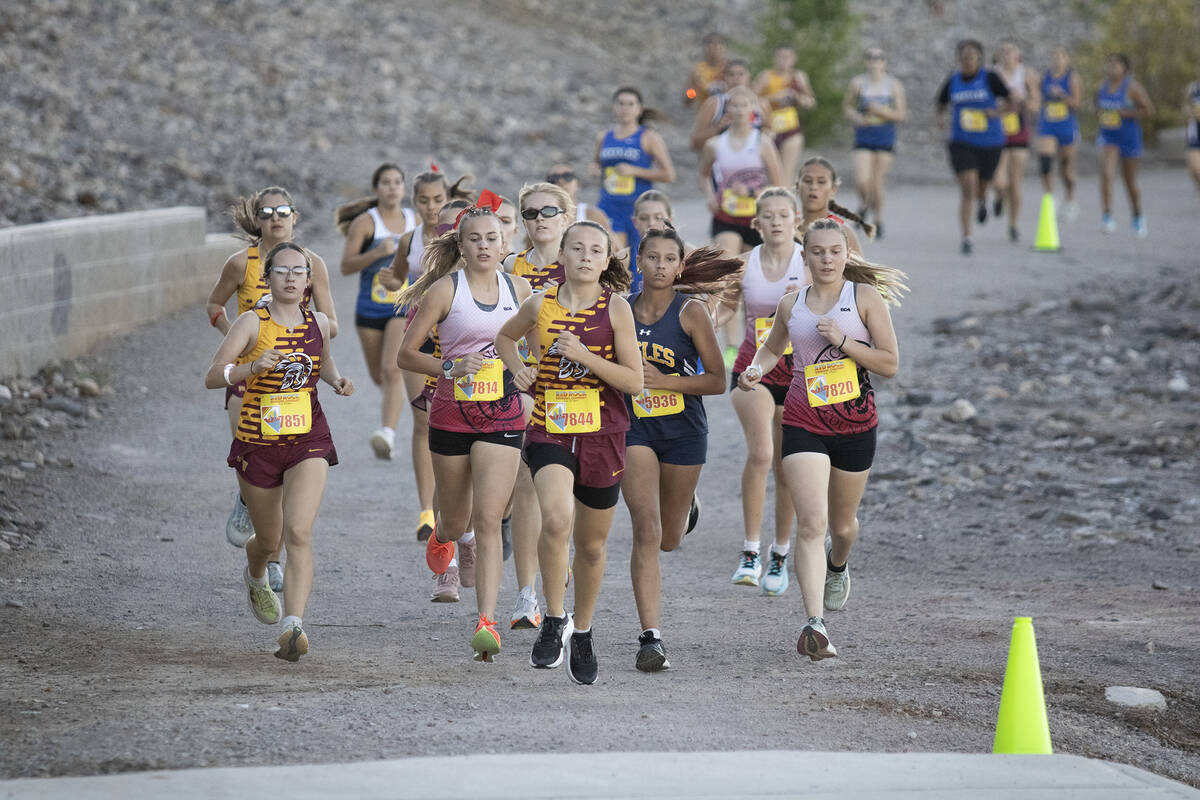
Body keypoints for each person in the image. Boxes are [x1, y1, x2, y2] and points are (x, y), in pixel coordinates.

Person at [739, 218, 905, 662]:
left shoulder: (864, 298)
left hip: (855, 425)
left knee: (842, 526)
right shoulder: (791, 304)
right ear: (805, 256)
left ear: (846, 255)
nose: (827, 259)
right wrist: (756, 369)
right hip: (803, 421)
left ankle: (839, 563)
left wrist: (844, 340)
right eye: (818, 252)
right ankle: (815, 624)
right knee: (811, 524)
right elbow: (772, 347)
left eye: (835, 251)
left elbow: (889, 364)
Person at [495, 221, 643, 685]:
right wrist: (519, 369)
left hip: (604, 433)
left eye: (595, 250)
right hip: (550, 429)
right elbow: (504, 339)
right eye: (576, 248)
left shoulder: (616, 308)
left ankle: (583, 631)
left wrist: (585, 355)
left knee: (592, 545)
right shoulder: (539, 303)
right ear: (561, 254)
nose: (585, 256)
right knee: (557, 520)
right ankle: (555, 618)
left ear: (606, 260)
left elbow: (634, 382)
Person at [204, 242, 354, 662]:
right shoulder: (251, 322)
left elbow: (322, 362)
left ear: (309, 280)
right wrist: (250, 368)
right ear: (267, 277)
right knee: (269, 540)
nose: (290, 278)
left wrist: (337, 381)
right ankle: (256, 575)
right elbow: (212, 376)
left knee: (298, 532)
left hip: (308, 437)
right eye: (282, 271)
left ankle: (293, 625)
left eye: (298, 271)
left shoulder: (318, 322)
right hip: (258, 441)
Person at [397, 207, 533, 662]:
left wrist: (530, 377)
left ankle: (486, 622)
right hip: (451, 414)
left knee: (490, 517)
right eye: (474, 239)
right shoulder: (445, 290)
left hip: (503, 414)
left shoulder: (520, 290)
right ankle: (446, 535)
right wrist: (451, 366)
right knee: (457, 521)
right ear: (461, 245)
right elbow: (406, 355)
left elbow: (534, 352)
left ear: (504, 243)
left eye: (492, 238)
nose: (484, 246)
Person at [205, 187, 337, 593]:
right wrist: (241, 340)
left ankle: (273, 561)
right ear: (258, 219)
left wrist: (305, 332)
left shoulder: (312, 264)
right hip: (247, 380)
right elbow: (214, 307)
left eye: (283, 211)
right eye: (267, 212)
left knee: (288, 470)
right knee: (257, 450)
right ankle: (248, 499)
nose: (275, 218)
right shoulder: (239, 263)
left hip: (290, 384)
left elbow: (331, 322)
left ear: (295, 216)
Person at [622, 228, 738, 671]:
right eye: (652, 257)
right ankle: (650, 638)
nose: (659, 266)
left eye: (669, 259)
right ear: (638, 261)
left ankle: (686, 506)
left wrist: (663, 381)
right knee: (646, 531)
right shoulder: (621, 309)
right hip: (634, 429)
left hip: (684, 431)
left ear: (680, 266)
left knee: (669, 539)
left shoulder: (691, 312)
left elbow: (717, 381)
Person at [717, 188, 807, 596]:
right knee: (761, 453)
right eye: (767, 216)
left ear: (796, 220)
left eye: (783, 215)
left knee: (786, 465)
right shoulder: (744, 264)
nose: (775, 222)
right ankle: (750, 552)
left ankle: (780, 553)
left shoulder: (809, 262)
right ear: (755, 224)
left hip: (799, 373)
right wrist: (702, 320)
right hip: (754, 368)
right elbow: (726, 308)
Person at [379, 168, 474, 542]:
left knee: (461, 420)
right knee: (424, 422)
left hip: (461, 332)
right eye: (423, 201)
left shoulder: (468, 233)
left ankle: (457, 508)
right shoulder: (410, 239)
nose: (431, 207)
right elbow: (397, 277)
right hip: (422, 334)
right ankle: (427, 512)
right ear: (414, 203)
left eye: (438, 200)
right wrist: (390, 280)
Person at [500, 181, 575, 629]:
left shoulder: (584, 260)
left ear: (567, 217)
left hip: (578, 387)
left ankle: (559, 553)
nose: (539, 219)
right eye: (530, 213)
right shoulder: (511, 266)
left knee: (571, 486)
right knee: (527, 479)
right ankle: (527, 594)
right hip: (527, 382)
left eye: (549, 211)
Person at [335, 163, 416, 461]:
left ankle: (387, 434)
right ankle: (393, 408)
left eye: (397, 182)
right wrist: (377, 253)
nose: (392, 187)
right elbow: (346, 267)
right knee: (380, 376)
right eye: (385, 182)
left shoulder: (415, 220)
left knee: (392, 370)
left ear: (404, 188)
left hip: (402, 306)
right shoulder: (366, 223)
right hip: (368, 310)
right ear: (375, 188)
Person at [936, 39, 1011, 255]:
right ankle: (967, 237)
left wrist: (997, 112)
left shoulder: (990, 77)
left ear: (979, 58)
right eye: (964, 56)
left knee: (984, 184)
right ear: (959, 59)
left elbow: (1011, 100)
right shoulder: (953, 79)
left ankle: (984, 199)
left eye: (972, 56)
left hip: (990, 142)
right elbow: (940, 102)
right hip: (962, 142)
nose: (968, 60)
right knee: (968, 186)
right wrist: (941, 118)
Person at [700, 86, 785, 260]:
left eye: (745, 105)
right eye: (735, 105)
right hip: (726, 215)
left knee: (757, 267)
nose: (740, 110)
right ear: (727, 109)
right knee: (727, 264)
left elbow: (778, 185)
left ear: (753, 108)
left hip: (759, 218)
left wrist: (751, 192)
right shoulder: (714, 144)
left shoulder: (763, 142)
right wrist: (710, 195)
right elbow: (703, 175)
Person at [592, 87, 676, 252]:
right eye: (621, 104)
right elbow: (596, 163)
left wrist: (635, 171)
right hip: (609, 205)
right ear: (614, 107)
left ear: (639, 109)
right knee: (614, 255)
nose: (625, 108)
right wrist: (594, 168)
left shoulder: (649, 137)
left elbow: (669, 174)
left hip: (638, 208)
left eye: (630, 104)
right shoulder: (604, 137)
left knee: (639, 256)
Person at [844, 48, 906, 239]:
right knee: (862, 179)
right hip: (863, 136)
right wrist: (855, 116)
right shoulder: (858, 83)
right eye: (871, 57)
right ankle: (865, 204)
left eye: (879, 58)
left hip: (884, 136)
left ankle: (878, 220)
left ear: (884, 62)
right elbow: (847, 106)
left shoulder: (893, 85)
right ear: (866, 61)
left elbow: (900, 114)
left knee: (877, 181)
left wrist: (879, 111)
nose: (875, 61)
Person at [1096, 53, 1154, 237]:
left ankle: (1137, 215)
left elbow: (1149, 111)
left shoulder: (1133, 87)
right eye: (1109, 64)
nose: (1112, 68)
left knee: (1129, 180)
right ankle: (1107, 216)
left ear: (1125, 69)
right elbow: (1097, 107)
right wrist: (1102, 114)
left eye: (1116, 65)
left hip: (1129, 137)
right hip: (1108, 137)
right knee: (1106, 174)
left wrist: (1126, 113)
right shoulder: (1102, 86)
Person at [989, 41, 1040, 243]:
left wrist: (1022, 100)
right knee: (999, 181)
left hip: (1019, 132)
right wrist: (997, 108)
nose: (1006, 55)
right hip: (996, 132)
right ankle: (999, 196)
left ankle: (1013, 225)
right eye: (1002, 51)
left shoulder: (1026, 75)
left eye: (1010, 51)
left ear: (1018, 55)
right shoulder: (991, 75)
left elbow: (1036, 105)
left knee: (1015, 182)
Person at [754, 45, 816, 185]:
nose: (784, 60)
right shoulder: (766, 76)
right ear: (774, 58)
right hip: (769, 129)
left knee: (786, 176)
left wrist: (799, 98)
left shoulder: (798, 76)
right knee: (771, 176)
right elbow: (751, 99)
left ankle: (786, 197)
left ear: (794, 59)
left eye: (787, 57)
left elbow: (811, 102)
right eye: (780, 57)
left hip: (790, 129)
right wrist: (773, 98)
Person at [1034, 46, 1083, 221]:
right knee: (1045, 161)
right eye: (1053, 56)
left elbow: (1077, 104)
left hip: (1066, 126)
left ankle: (1069, 200)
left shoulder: (1072, 78)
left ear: (1066, 59)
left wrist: (1062, 95)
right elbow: (1037, 98)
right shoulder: (1044, 77)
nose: (1056, 60)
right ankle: (1050, 196)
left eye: (1060, 57)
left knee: (1066, 168)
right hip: (1047, 125)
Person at [795, 157, 871, 254]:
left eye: (821, 182)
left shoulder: (843, 233)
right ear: (797, 186)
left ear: (833, 189)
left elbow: (858, 264)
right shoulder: (786, 229)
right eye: (808, 181)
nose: (813, 187)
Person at [690, 58, 760, 153]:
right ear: (724, 78)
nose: (736, 78)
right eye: (731, 74)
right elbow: (694, 142)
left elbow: (770, 133)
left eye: (741, 74)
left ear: (749, 76)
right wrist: (718, 129)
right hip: (720, 157)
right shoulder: (714, 104)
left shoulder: (761, 103)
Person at [546, 164, 612, 229]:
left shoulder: (592, 215)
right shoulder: (542, 217)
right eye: (553, 178)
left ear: (576, 184)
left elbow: (610, 236)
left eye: (567, 176)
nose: (561, 181)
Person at [686, 32, 728, 107]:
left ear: (724, 48)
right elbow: (688, 101)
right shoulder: (697, 70)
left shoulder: (730, 68)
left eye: (719, 43)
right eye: (711, 43)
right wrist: (694, 90)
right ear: (704, 48)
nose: (715, 47)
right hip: (705, 111)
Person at [1185, 69, 1200, 194]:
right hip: (1195, 130)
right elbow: (1185, 106)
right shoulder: (1192, 88)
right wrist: (1189, 112)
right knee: (1194, 169)